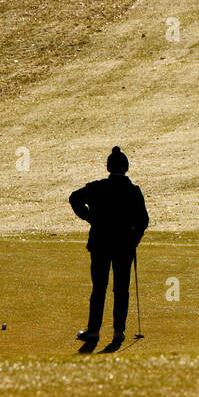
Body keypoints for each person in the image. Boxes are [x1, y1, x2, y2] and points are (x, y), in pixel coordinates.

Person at [69, 146, 149, 343]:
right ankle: (118, 331)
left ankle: (94, 330)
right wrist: (135, 238)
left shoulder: (98, 187)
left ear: (108, 167)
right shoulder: (133, 190)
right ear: (126, 167)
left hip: (100, 243)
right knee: (121, 289)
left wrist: (89, 218)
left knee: (99, 288)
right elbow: (143, 220)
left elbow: (74, 198)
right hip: (124, 245)